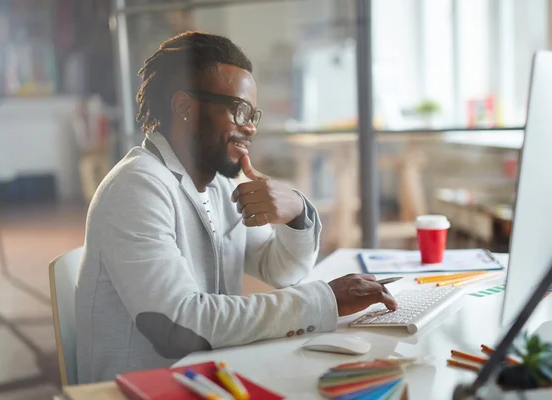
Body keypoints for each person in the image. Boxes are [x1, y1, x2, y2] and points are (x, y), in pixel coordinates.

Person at [75, 31, 397, 383]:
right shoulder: (136, 188)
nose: (250, 128)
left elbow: (281, 271)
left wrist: (296, 214)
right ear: (184, 107)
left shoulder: (218, 184)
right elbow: (179, 325)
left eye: (252, 114)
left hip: (206, 376)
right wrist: (324, 300)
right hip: (146, 387)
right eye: (238, 110)